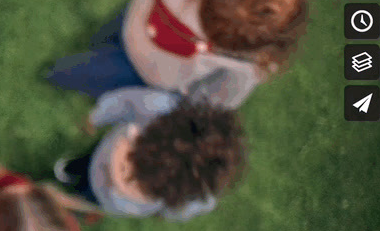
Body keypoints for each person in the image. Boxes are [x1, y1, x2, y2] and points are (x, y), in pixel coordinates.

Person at [48, 0, 308, 108]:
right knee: (93, 52)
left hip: (141, 58)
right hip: (141, 40)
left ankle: (52, 75)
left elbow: (215, 102)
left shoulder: (248, 65)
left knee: (73, 71)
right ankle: (67, 68)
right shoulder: (249, 61)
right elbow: (218, 101)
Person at [53, 86, 247, 221]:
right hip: (114, 193)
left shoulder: (160, 107)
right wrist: (99, 116)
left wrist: (97, 117)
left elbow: (124, 102)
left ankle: (78, 192)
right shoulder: (158, 106)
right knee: (90, 177)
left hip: (107, 171)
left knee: (90, 184)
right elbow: (125, 103)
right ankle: (77, 186)